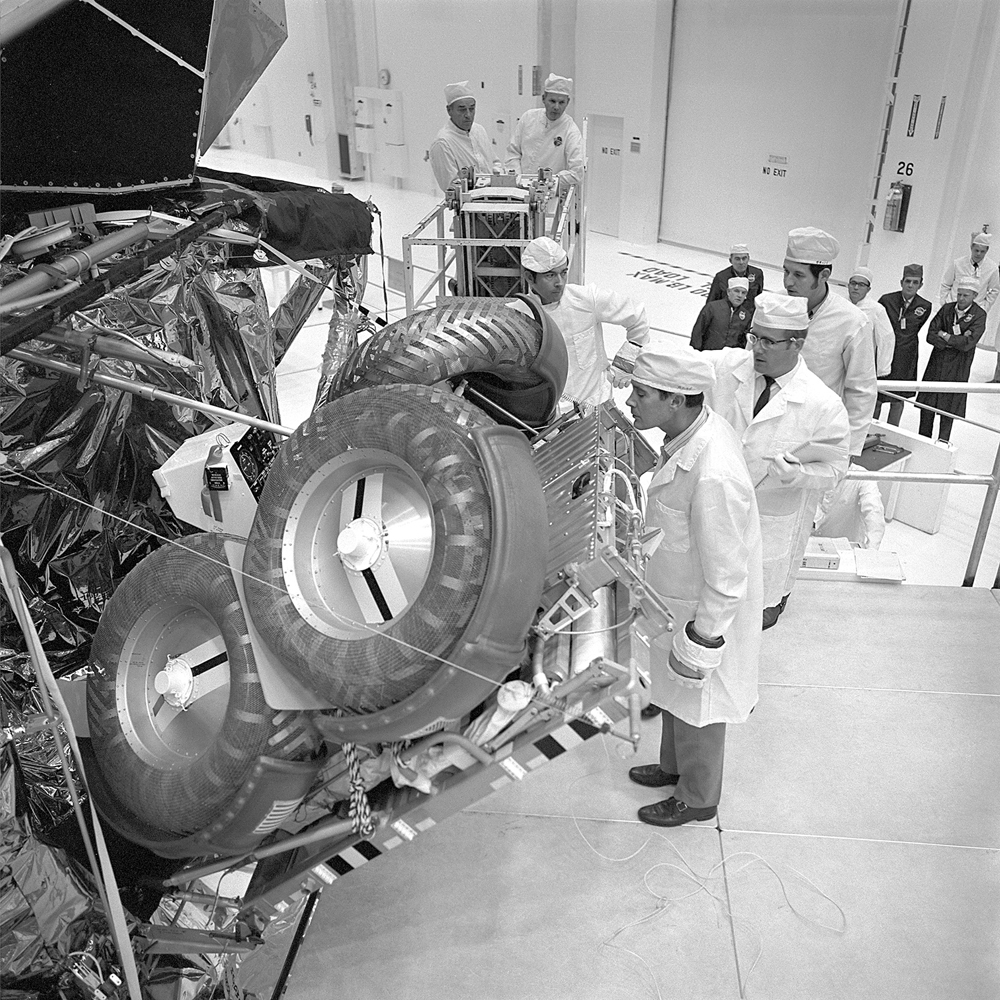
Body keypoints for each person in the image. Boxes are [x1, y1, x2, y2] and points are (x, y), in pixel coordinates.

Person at [624, 344, 762, 828]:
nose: (630, 401)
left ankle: (698, 797)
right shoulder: (687, 431)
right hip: (674, 599)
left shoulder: (714, 473)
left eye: (641, 394)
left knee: (699, 703)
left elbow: (727, 574)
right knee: (673, 692)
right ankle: (671, 767)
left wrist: (704, 637)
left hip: (702, 611)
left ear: (677, 399)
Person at [700, 292, 850, 628]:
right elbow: (683, 364)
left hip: (771, 529)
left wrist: (796, 475)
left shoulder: (822, 405)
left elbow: (837, 469)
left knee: (753, 619)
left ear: (796, 344)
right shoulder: (729, 367)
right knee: (707, 610)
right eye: (754, 337)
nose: (757, 349)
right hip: (715, 517)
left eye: (768, 341)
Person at [520, 236, 649, 408]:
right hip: (552, 421)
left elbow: (636, 314)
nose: (560, 283)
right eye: (550, 275)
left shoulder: (586, 299)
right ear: (529, 277)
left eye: (563, 273)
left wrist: (627, 361)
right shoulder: (519, 316)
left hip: (597, 409)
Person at [782, 226, 875, 456]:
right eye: (786, 272)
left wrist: (849, 451)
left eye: (798, 275)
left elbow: (861, 391)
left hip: (814, 437)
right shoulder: (774, 307)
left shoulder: (851, 322)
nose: (788, 283)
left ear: (824, 276)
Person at [916, 277, 987, 443]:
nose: (961, 298)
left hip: (958, 368)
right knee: (927, 407)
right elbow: (930, 334)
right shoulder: (947, 309)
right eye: (959, 294)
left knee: (948, 410)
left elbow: (967, 344)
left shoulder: (979, 315)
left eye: (966, 296)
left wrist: (945, 335)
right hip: (937, 364)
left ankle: (943, 444)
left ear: (974, 296)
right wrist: (955, 340)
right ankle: (922, 441)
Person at [504, 74, 584, 192]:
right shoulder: (528, 118)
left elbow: (576, 173)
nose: (556, 107)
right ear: (543, 99)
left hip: (549, 194)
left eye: (561, 102)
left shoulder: (571, 131)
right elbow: (513, 153)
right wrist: (518, 179)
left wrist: (549, 181)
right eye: (552, 101)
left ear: (567, 102)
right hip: (519, 190)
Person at [874, 264, 933, 425]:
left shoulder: (925, 306)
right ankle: (869, 429)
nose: (910, 285)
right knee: (877, 396)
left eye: (915, 282)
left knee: (898, 398)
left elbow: (916, 328)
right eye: (908, 281)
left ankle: (892, 431)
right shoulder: (887, 300)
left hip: (906, 356)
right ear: (901, 282)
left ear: (921, 284)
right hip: (885, 353)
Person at [939, 232, 1000, 382]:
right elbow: (945, 284)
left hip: (973, 316)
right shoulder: (958, 263)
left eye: (982, 251)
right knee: (945, 347)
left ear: (987, 251)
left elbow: (994, 290)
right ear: (971, 248)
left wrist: (983, 309)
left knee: (965, 350)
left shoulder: (992, 269)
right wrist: (946, 305)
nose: (978, 254)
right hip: (953, 312)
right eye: (976, 250)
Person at [429, 81, 501, 192]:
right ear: (449, 110)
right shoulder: (443, 143)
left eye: (472, 109)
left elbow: (494, 162)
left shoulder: (479, 130)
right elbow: (452, 188)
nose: (468, 115)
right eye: (462, 109)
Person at [813, 463, 886, 550]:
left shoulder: (862, 477)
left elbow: (874, 513)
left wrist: (871, 553)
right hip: (807, 544)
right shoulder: (812, 469)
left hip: (844, 548)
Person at [847, 266, 894, 379]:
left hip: (862, 365)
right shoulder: (839, 304)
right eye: (853, 283)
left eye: (861, 285)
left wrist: (882, 369)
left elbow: (886, 339)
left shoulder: (876, 309)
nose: (856, 287)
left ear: (868, 289)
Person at [690, 277, 753, 351]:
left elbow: (744, 342)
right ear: (728, 292)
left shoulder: (746, 316)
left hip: (730, 359)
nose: (740, 295)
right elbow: (698, 331)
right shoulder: (713, 307)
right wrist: (695, 352)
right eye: (736, 291)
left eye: (743, 293)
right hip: (708, 354)